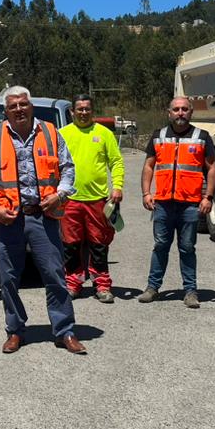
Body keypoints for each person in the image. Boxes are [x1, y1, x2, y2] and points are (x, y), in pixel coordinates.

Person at [0, 86, 85, 355]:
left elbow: (67, 168)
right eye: (12, 106)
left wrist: (60, 195)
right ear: (5, 111)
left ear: (31, 106)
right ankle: (15, 331)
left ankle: (64, 331)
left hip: (43, 216)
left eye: (23, 104)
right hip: (8, 218)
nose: (19, 110)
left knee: (55, 275)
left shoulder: (50, 132)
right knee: (8, 278)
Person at [138, 97, 215, 309]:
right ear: (169, 112)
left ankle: (191, 291)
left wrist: (208, 197)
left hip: (189, 205)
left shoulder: (201, 137)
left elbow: (212, 168)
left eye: (184, 109)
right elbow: (149, 166)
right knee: (160, 247)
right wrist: (146, 193)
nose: (180, 113)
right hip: (163, 204)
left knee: (187, 248)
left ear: (191, 112)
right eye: (176, 109)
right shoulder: (159, 136)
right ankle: (152, 288)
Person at [58, 94, 124, 302]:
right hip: (70, 200)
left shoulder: (104, 134)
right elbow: (52, 164)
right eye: (79, 109)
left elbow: (116, 162)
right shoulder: (62, 134)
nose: (83, 112)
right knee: (71, 245)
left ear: (92, 111)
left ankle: (102, 285)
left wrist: (118, 187)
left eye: (87, 109)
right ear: (72, 112)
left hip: (97, 200)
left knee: (99, 244)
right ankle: (73, 283)